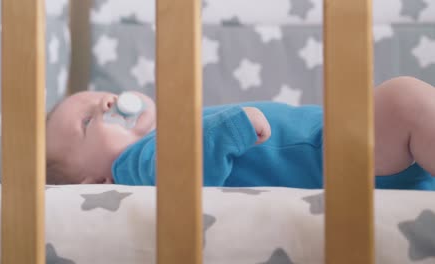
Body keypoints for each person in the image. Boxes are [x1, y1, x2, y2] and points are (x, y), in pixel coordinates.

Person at [46, 76, 435, 190]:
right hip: (335, 158)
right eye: (87, 122)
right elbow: (184, 172)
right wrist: (231, 127)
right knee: (404, 100)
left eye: (106, 97)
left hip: (345, 145)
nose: (108, 104)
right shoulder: (135, 164)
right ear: (93, 181)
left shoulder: (170, 130)